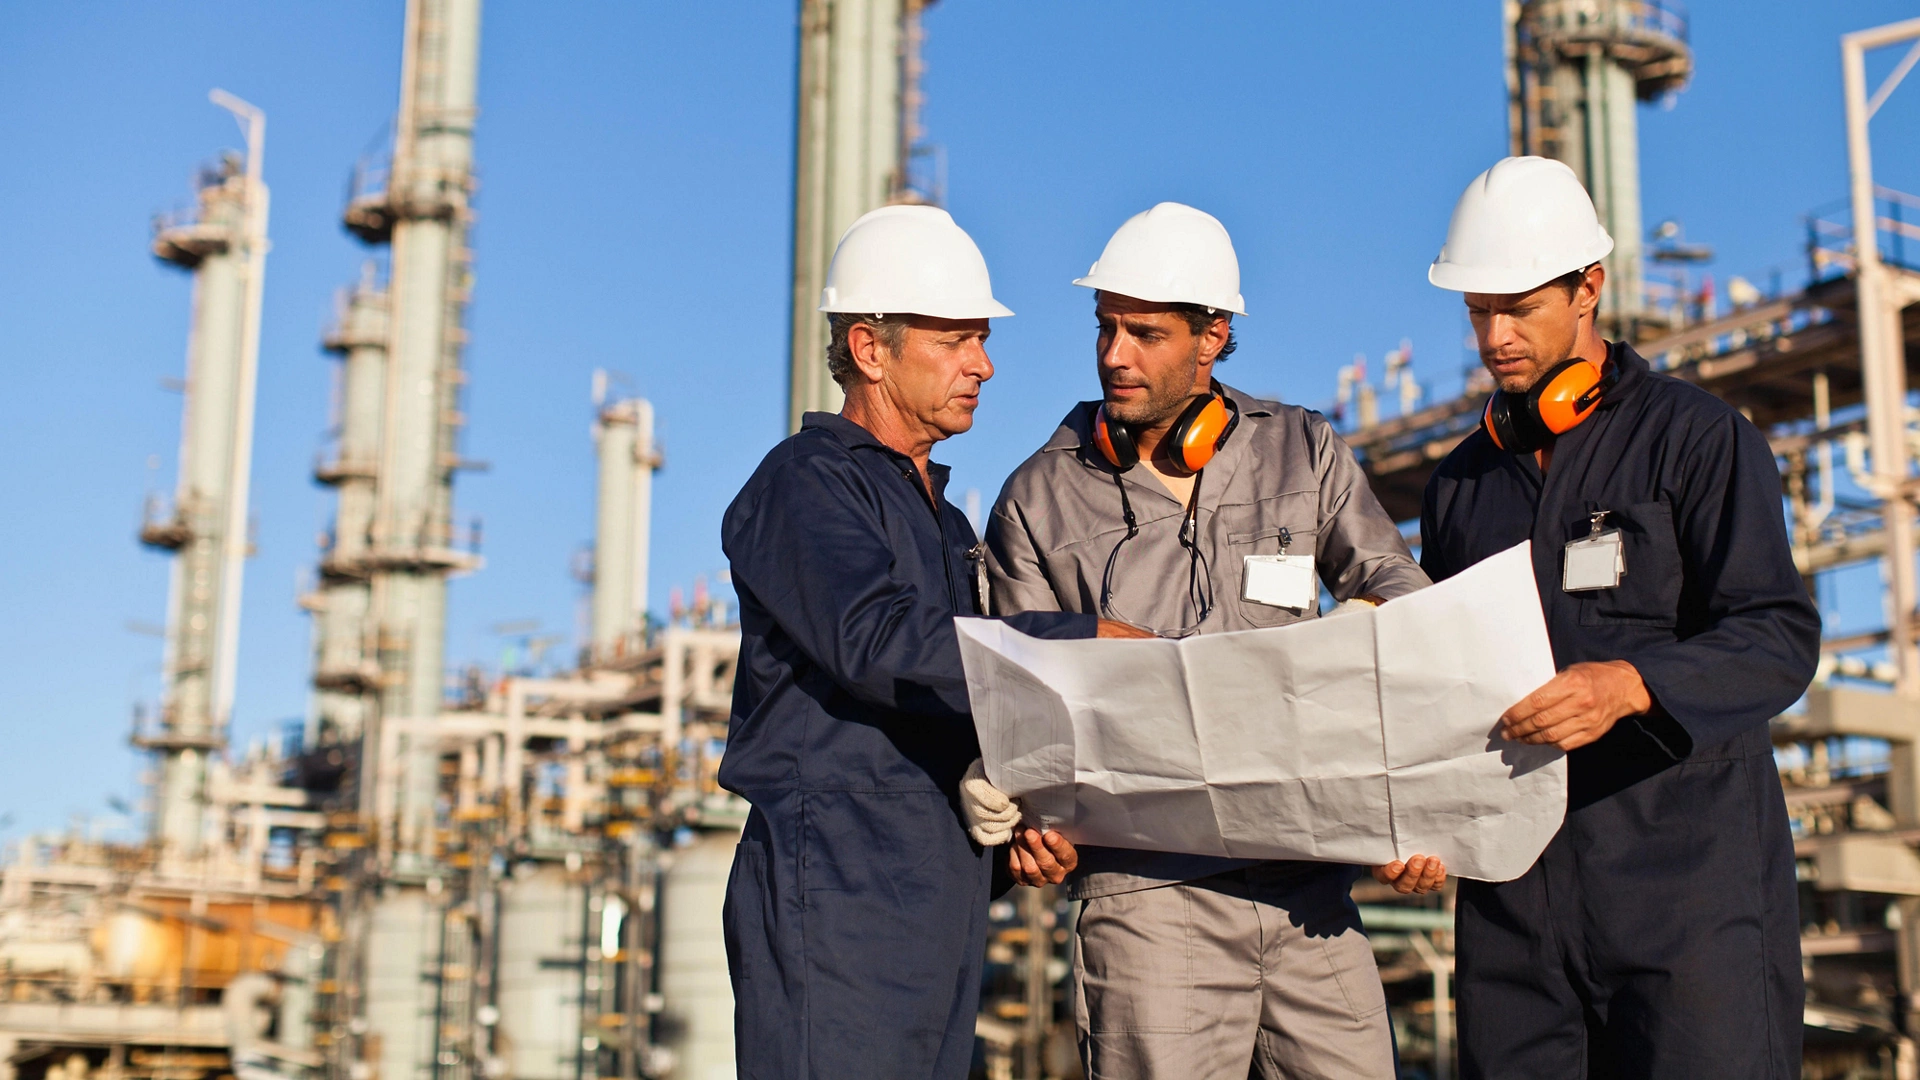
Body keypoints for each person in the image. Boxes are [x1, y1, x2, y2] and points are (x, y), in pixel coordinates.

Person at [973, 202, 1445, 1079]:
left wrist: (1368, 665)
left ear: (1213, 335)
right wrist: (1033, 817)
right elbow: (1016, 702)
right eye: (1106, 327)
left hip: (1311, 889)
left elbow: (1399, 591)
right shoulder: (1040, 498)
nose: (1115, 354)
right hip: (1151, 904)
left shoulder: (1301, 452)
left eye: (1145, 333)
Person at [1419, 156, 1821, 1078]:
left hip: (1688, 902)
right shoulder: (1459, 486)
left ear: (1589, 287)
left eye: (1519, 308)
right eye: (1480, 310)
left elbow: (1778, 634)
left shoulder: (1698, 439)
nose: (1495, 337)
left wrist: (1634, 684)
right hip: (1515, 912)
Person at [718, 204, 1139, 1080]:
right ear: (870, 349)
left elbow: (959, 693)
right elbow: (878, 642)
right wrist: (1077, 641)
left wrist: (1019, 803)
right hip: (836, 886)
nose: (983, 365)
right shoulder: (804, 484)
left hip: (936, 886)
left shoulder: (943, 521)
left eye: (981, 341)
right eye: (955, 341)